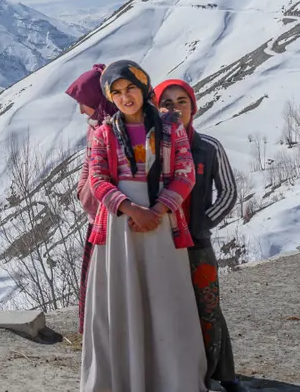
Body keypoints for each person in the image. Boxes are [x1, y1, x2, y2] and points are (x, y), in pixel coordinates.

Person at [81, 60, 206, 392]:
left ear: (143, 87)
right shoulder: (104, 132)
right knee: (120, 304)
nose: (126, 97)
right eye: (117, 92)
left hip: (162, 225)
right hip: (120, 226)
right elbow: (98, 179)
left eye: (131, 88)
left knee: (165, 300)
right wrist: (133, 209)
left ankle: (169, 379)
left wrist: (159, 208)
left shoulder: (170, 128)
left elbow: (184, 173)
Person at [155, 79, 244, 392]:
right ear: (156, 107)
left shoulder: (208, 146)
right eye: (167, 103)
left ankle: (225, 375)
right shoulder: (150, 148)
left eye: (182, 102)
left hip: (197, 243)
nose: (175, 109)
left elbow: (229, 191)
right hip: (158, 244)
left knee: (208, 308)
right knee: (167, 309)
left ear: (193, 107)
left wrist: (204, 223)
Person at [66, 63, 117, 334]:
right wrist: (83, 189)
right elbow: (88, 165)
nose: (80, 110)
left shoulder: (111, 127)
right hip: (95, 214)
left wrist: (86, 191)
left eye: (83, 103)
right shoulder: (95, 125)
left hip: (109, 216)